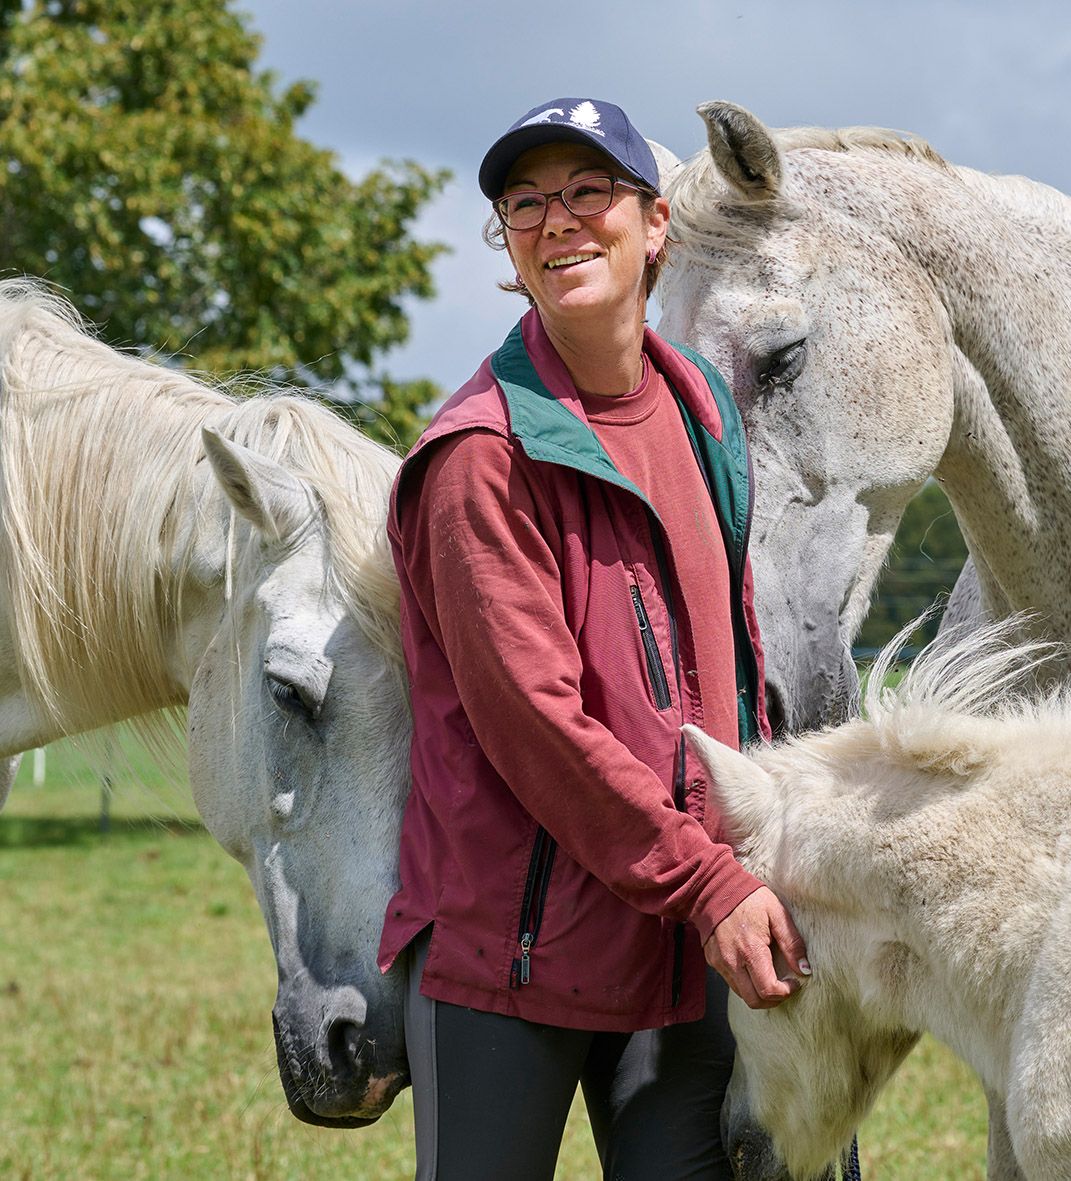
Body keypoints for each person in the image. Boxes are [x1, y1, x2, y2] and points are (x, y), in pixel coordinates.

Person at [379, 97, 809, 1181]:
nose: (555, 220)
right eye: (525, 204)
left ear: (654, 223)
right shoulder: (480, 455)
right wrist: (708, 884)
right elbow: (537, 727)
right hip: (511, 950)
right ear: (508, 246)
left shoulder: (702, 409)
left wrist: (755, 856)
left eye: (586, 191)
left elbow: (731, 667)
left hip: (679, 939)